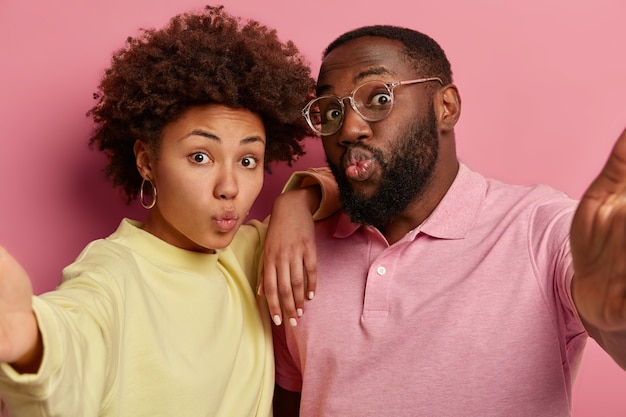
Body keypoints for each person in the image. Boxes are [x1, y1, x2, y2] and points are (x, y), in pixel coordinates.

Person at [263, 25, 626, 416]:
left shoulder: (540, 229)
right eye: (333, 111)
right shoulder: (295, 256)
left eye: (379, 98)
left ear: (446, 107)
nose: (349, 129)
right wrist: (295, 202)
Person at [0, 5, 330, 416]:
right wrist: (30, 340)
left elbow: (348, 184)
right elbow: (75, 336)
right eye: (200, 157)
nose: (230, 188)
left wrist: (296, 200)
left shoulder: (254, 253)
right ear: (147, 161)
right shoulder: (113, 272)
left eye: (248, 161)